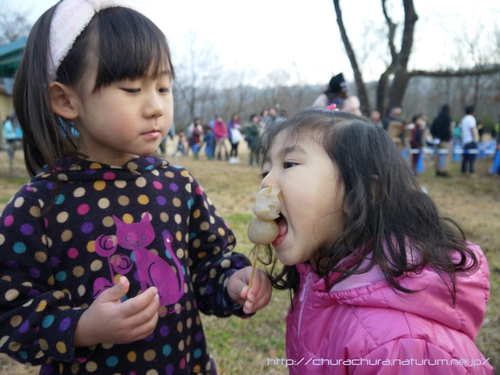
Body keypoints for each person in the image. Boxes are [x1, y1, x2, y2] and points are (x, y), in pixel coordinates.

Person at [0, 2, 272, 374]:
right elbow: (11, 315)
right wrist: (82, 328)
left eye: (163, 87)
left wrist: (232, 282)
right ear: (66, 99)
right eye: (131, 89)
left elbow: (208, 263)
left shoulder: (178, 185)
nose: (156, 106)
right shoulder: (38, 206)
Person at [256, 108, 492, 374]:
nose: (266, 183)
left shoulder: (399, 348)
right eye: (264, 171)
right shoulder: (316, 276)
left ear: (359, 194)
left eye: (289, 164)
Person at [430, 104, 453, 177]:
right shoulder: (448, 118)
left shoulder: (436, 118)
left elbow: (432, 129)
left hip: (437, 140)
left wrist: (436, 137)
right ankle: (445, 171)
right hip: (445, 140)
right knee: (448, 155)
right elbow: (447, 129)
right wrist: (442, 137)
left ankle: (438, 170)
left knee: (437, 155)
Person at [461, 105, 479, 177]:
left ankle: (463, 170)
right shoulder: (471, 118)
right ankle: (471, 171)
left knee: (465, 156)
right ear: (472, 111)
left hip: (465, 140)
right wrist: (475, 138)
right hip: (471, 140)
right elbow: (472, 129)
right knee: (472, 156)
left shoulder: (464, 119)